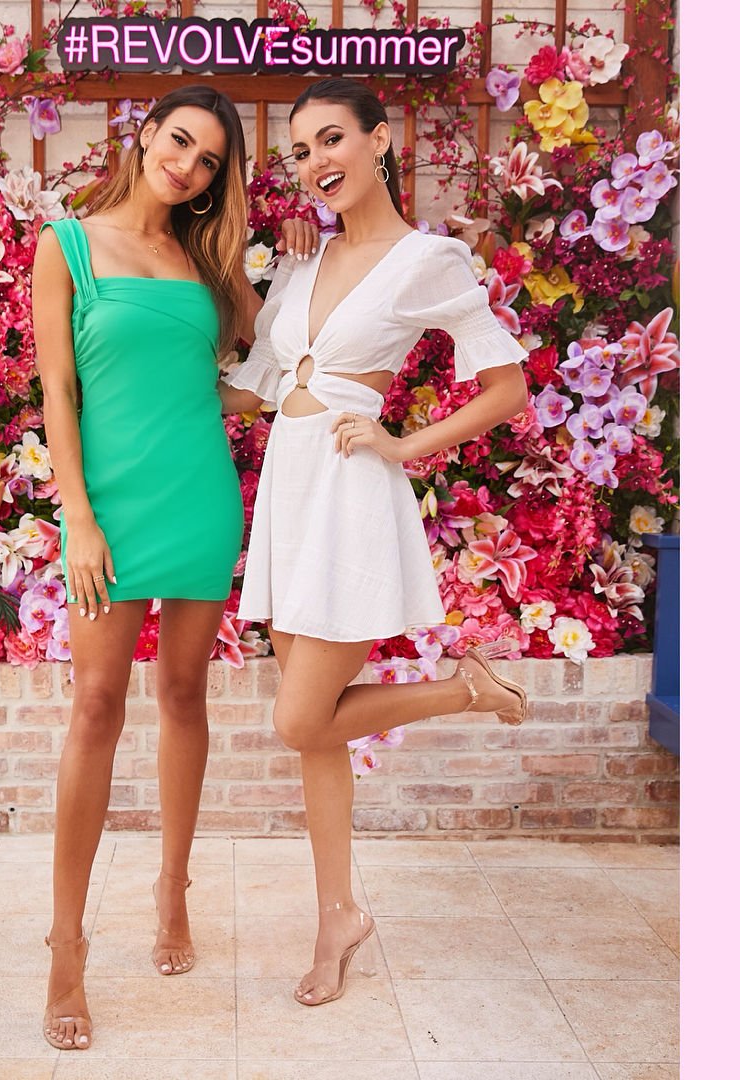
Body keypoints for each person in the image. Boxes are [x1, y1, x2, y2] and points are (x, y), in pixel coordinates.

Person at [219, 77, 531, 1007]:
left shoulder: (427, 259)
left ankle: (465, 690)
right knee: (317, 734)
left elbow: (507, 388)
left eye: (332, 139)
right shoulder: (300, 264)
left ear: (379, 140)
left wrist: (403, 445)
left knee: (300, 720)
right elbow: (257, 389)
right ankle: (337, 917)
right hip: (291, 493)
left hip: (353, 493)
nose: (316, 162)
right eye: (301, 151)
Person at [31, 85, 316, 1051]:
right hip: (108, 511)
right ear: (147, 133)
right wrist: (78, 519)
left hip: (199, 499)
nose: (187, 167)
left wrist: (297, 302)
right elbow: (59, 393)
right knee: (95, 705)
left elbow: (249, 376)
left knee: (185, 694)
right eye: (180, 142)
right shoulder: (67, 246)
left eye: (208, 162)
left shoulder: (210, 263)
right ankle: (66, 945)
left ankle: (173, 892)